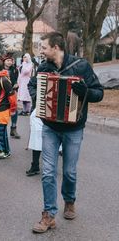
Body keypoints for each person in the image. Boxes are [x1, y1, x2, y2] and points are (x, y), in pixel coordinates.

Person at [28, 32, 103, 233]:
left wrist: (85, 90)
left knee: (69, 172)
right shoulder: (43, 68)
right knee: (48, 172)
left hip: (74, 128)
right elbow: (32, 85)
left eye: (43, 47)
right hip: (50, 127)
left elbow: (99, 93)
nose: (41, 51)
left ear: (56, 47)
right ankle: (49, 214)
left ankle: (69, 200)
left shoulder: (81, 66)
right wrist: (40, 100)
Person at [2, 54, 21, 139]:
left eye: (11, 60)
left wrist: (16, 84)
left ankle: (13, 128)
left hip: (12, 91)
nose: (9, 62)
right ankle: (3, 128)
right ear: (4, 61)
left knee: (14, 109)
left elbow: (17, 79)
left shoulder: (14, 70)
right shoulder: (0, 69)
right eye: (8, 60)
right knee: (3, 110)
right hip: (2, 92)